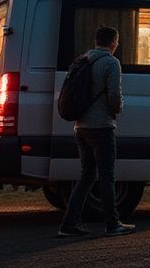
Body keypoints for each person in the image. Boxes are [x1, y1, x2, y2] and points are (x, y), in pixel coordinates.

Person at [57, 25, 135, 238]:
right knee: (107, 176)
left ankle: (68, 224)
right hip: (101, 126)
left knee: (87, 176)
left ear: (96, 41)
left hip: (80, 127)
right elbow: (114, 95)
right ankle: (112, 224)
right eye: (117, 42)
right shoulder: (111, 62)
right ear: (113, 42)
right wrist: (117, 110)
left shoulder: (83, 60)